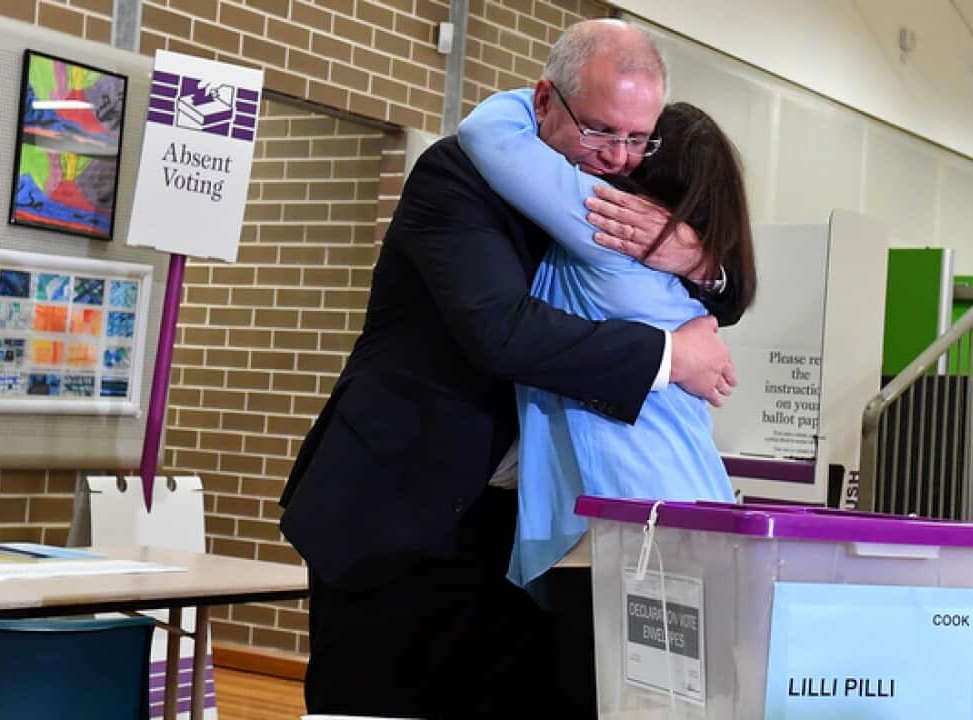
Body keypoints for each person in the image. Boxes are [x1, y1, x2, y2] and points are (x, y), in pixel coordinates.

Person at [280, 18, 741, 718]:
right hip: (405, 510)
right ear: (545, 101)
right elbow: (501, 332)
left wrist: (697, 256)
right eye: (601, 132)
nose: (621, 158)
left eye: (637, 138)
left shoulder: (612, 197)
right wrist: (673, 357)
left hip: (515, 528)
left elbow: (727, 286)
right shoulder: (458, 178)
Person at [458, 91, 757, 710]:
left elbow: (487, 130)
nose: (615, 153)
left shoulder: (608, 226)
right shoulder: (680, 272)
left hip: (623, 528)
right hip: (684, 510)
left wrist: (555, 96)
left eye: (635, 141)